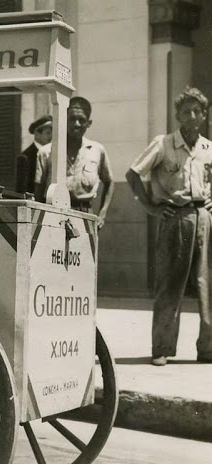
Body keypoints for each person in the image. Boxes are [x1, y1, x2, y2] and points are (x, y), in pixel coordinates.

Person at [125, 86, 212, 367]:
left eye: (196, 111)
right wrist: (151, 206)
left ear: (203, 115)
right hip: (175, 218)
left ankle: (208, 348)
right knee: (170, 284)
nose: (191, 115)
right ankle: (162, 347)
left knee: (206, 285)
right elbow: (133, 173)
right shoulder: (163, 144)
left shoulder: (208, 148)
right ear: (177, 115)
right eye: (185, 110)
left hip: (204, 218)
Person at [35, 96, 115, 229]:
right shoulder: (46, 152)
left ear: (89, 123)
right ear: (64, 120)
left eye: (82, 120)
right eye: (72, 119)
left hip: (85, 215)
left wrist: (102, 214)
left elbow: (109, 182)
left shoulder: (97, 150)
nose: (76, 124)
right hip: (52, 215)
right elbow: (38, 190)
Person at [16, 114, 52, 195]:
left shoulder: (51, 154)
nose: (51, 137)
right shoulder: (25, 157)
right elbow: (21, 190)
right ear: (37, 133)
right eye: (48, 133)